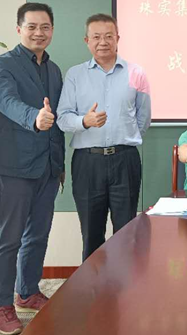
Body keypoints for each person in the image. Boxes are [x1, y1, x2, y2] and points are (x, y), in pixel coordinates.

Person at [0, 3, 65, 335]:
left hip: (48, 166)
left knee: (38, 234)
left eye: (45, 27)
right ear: (19, 29)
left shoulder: (54, 70)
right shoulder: (2, 65)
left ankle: (27, 291)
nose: (38, 33)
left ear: (52, 30)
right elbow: (7, 102)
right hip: (15, 166)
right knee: (9, 238)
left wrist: (59, 164)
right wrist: (34, 117)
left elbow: (58, 117)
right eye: (31, 26)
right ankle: (2, 305)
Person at [57, 14, 151, 262]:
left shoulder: (136, 73)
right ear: (87, 41)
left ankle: (125, 283)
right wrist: (84, 122)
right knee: (91, 232)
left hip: (125, 160)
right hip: (88, 162)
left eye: (109, 36)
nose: (103, 42)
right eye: (96, 37)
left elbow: (143, 118)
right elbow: (62, 118)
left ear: (118, 38)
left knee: (126, 231)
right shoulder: (75, 75)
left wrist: (124, 138)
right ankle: (93, 285)